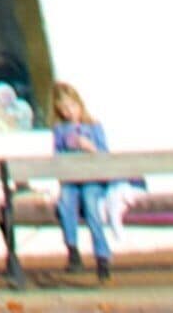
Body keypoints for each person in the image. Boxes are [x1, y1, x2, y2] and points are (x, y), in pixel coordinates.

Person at [48, 83, 121, 281]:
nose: (69, 112)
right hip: (72, 179)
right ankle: (73, 250)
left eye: (72, 106)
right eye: (63, 109)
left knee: (91, 205)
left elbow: (105, 154)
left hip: (92, 178)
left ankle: (102, 255)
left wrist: (91, 148)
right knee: (65, 203)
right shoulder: (61, 130)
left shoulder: (93, 126)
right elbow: (57, 156)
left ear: (79, 105)